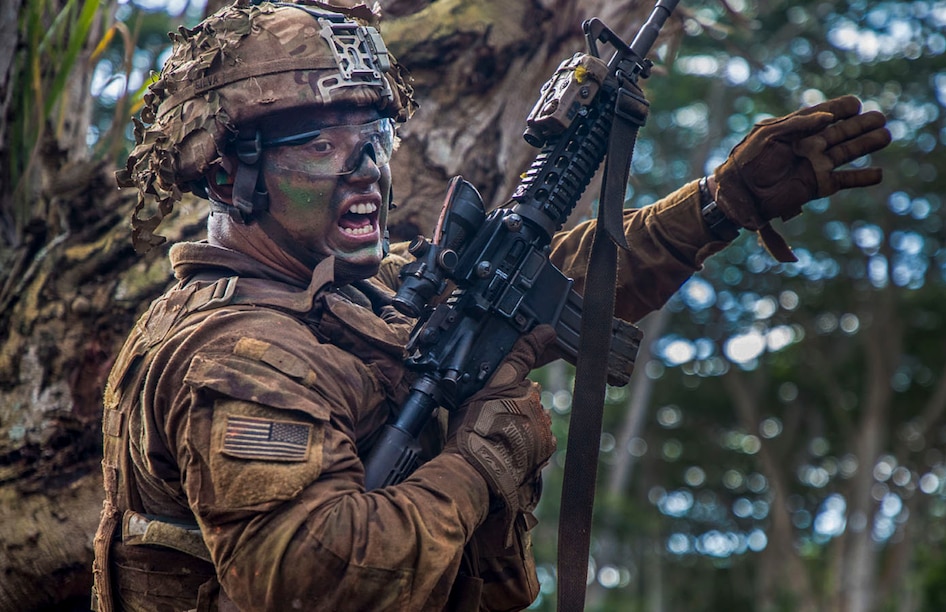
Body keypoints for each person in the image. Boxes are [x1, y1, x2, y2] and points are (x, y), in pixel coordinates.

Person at [93, 2, 892, 611]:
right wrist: (479, 465)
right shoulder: (239, 353)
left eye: (374, 137)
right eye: (321, 144)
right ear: (231, 174)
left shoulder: (342, 296)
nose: (365, 167)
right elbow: (318, 578)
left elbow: (549, 283)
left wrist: (721, 204)